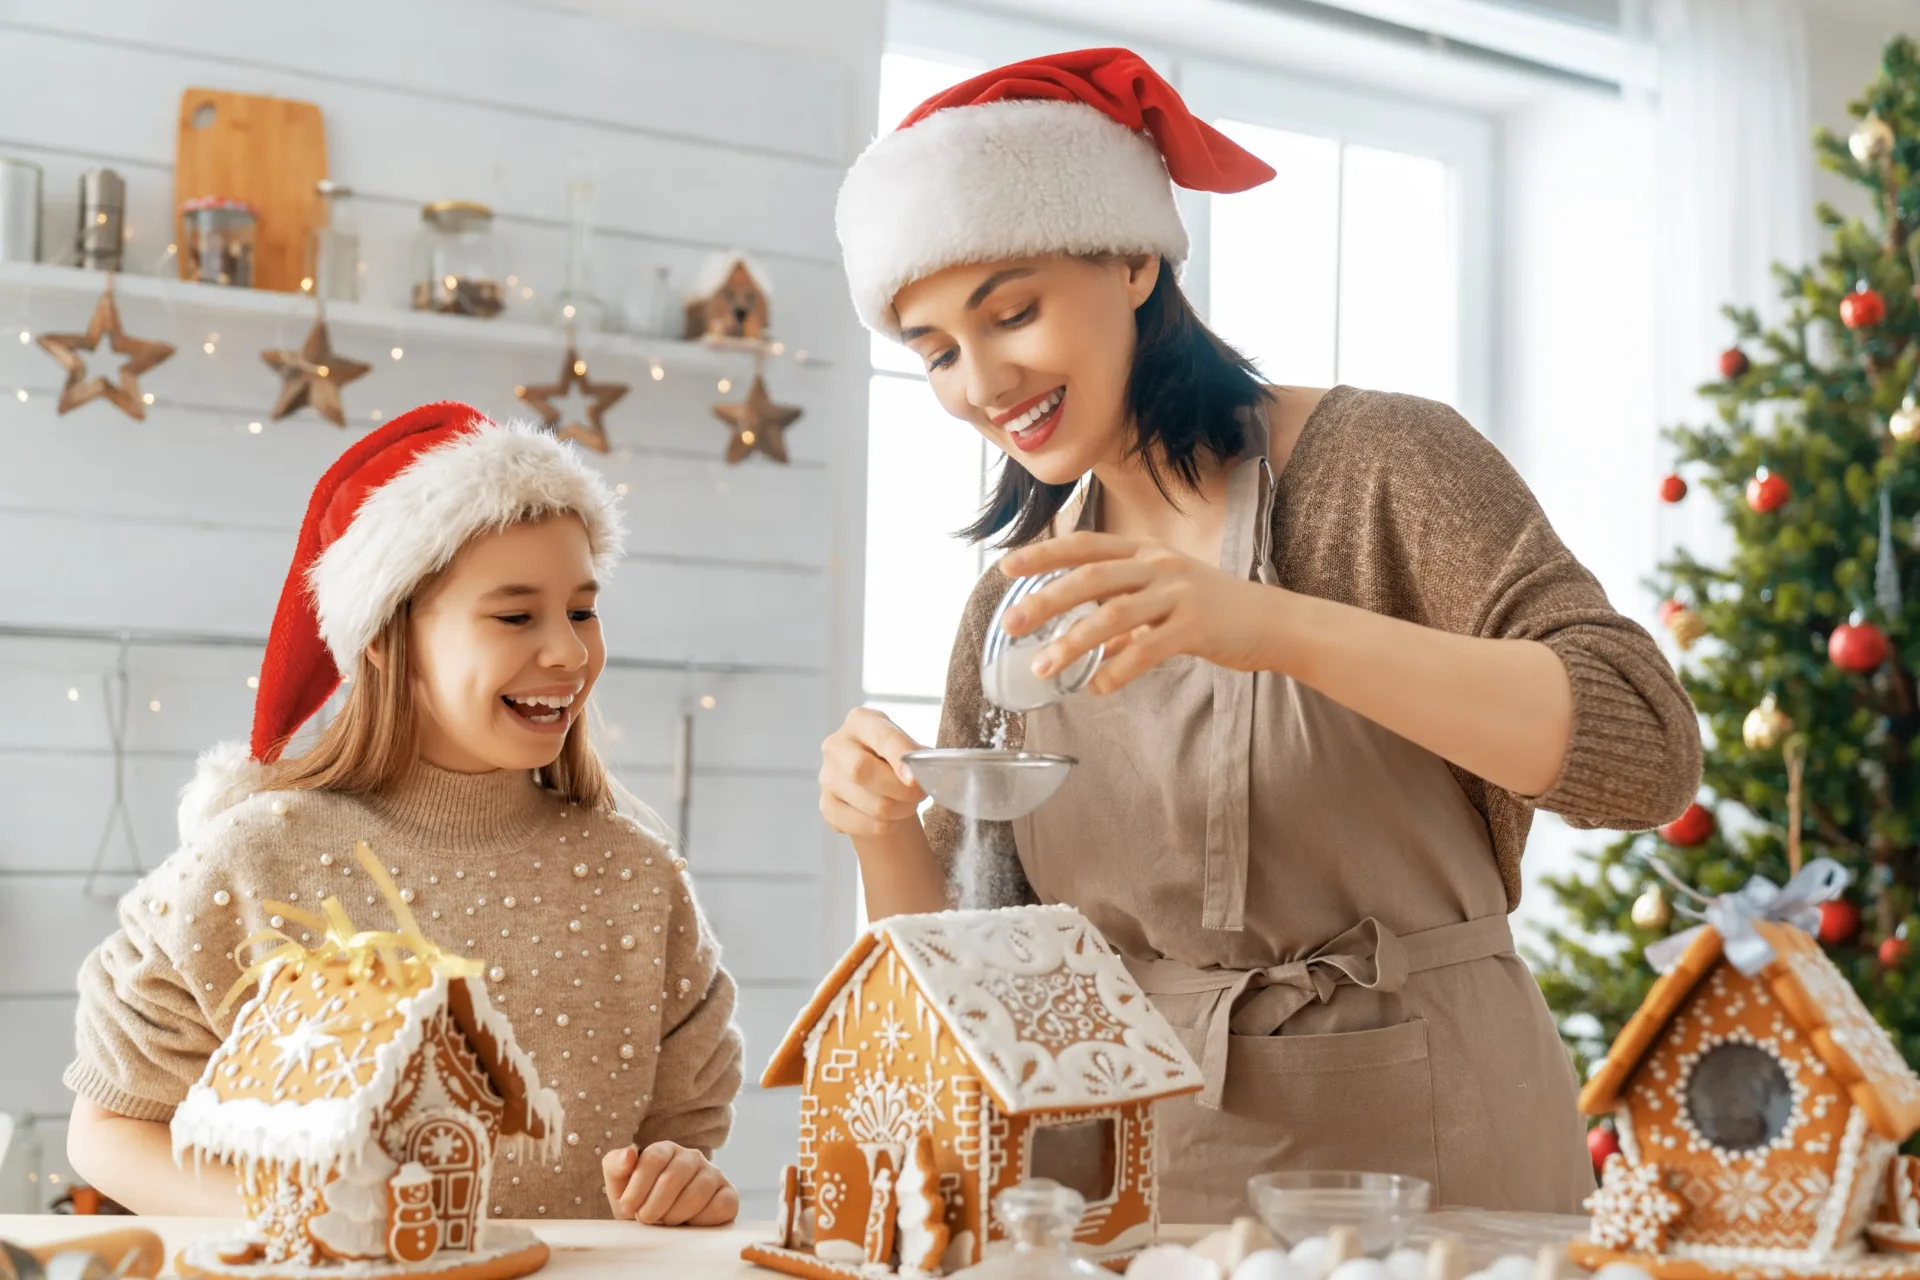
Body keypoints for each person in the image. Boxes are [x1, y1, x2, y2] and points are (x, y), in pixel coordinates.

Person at [818, 48, 1701, 1218]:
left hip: (1428, 1165)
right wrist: (881, 829)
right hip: (1129, 1182)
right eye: (935, 351)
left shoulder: (1381, 467)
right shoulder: (1015, 604)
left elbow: (1645, 752)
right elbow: (976, 981)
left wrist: (1275, 625)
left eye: (1012, 312)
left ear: (1134, 259)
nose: (980, 381)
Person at [64, 403, 743, 1226]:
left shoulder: (640, 881)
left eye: (581, 611)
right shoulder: (251, 859)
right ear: (385, 636)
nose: (568, 652)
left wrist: (680, 1181)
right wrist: (307, 1221)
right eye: (515, 615)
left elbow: (681, 1145)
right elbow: (110, 1130)